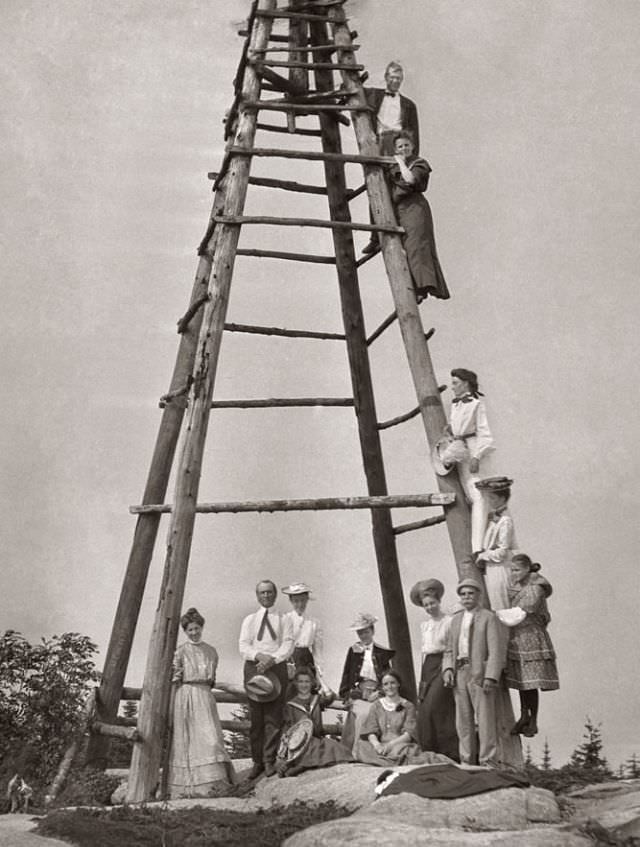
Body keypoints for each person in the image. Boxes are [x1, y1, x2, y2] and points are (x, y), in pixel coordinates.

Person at [168, 607, 234, 798]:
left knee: (211, 738)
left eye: (197, 628)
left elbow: (212, 678)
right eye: (190, 630)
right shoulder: (180, 652)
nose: (194, 633)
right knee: (187, 741)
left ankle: (213, 785)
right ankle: (187, 788)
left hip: (205, 695)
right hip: (185, 694)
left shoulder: (211, 651)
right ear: (185, 631)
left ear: (201, 628)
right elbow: (175, 678)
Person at [443, 578, 506, 767]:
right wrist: (447, 668)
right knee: (462, 720)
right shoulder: (455, 620)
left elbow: (496, 650)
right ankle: (466, 760)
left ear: (478, 595)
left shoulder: (488, 617)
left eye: (471, 593)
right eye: (463, 594)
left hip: (479, 672)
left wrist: (491, 676)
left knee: (485, 719)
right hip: (459, 671)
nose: (466, 597)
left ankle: (488, 760)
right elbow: (448, 649)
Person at [433, 368, 495, 553]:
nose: (452, 387)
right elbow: (461, 425)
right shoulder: (457, 405)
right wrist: (452, 429)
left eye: (455, 383)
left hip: (473, 450)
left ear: (465, 384)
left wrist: (477, 456)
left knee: (479, 497)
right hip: (459, 449)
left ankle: (478, 546)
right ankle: (475, 542)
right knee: (467, 495)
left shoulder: (476, 404)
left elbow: (485, 434)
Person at [497, 554, 559, 738]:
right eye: (512, 571)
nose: (513, 574)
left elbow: (522, 610)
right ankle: (525, 715)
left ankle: (532, 719)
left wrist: (495, 614)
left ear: (526, 569)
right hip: (518, 636)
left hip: (531, 635)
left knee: (531, 680)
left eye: (516, 570)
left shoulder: (535, 588)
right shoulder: (517, 586)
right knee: (524, 681)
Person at [362, 60, 420, 255]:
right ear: (386, 78)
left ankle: (400, 232)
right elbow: (353, 89)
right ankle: (375, 237)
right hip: (379, 142)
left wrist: (411, 159)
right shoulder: (374, 95)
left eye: (399, 79)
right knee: (376, 183)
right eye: (392, 77)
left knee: (397, 187)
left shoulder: (409, 105)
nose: (395, 81)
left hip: (397, 143)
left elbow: (414, 134)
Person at [239, 580, 294, 779]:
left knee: (274, 718)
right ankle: (257, 762)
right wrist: (259, 657)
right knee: (256, 719)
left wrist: (273, 660)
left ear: (275, 594)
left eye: (269, 592)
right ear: (257, 596)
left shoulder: (284, 619)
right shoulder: (250, 620)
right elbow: (243, 646)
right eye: (262, 593)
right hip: (254, 668)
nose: (266, 596)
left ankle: (269, 760)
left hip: (276, 668)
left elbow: (288, 644)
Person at [388, 131, 450, 303]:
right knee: (403, 249)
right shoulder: (392, 167)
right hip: (399, 210)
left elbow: (409, 180)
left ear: (412, 146)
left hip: (415, 208)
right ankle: (414, 287)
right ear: (395, 148)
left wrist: (399, 161)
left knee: (416, 247)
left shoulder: (419, 164)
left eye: (406, 145)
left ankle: (422, 288)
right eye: (400, 146)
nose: (404, 149)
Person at [356, 671, 449, 767]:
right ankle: (387, 760)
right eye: (386, 684)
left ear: (398, 684)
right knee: (362, 746)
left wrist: (390, 745)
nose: (389, 687)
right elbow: (371, 731)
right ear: (382, 687)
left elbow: (409, 734)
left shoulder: (408, 706)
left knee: (402, 752)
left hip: (399, 744)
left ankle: (388, 760)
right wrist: (377, 745)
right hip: (381, 745)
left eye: (392, 683)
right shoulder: (376, 706)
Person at [410, 579, 458, 761]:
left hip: (443, 663)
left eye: (432, 603)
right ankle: (429, 751)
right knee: (424, 709)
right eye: (426, 605)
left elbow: (450, 647)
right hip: (427, 665)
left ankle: (449, 752)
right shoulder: (425, 625)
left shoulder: (449, 621)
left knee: (437, 706)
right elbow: (425, 650)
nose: (430, 607)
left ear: (438, 601)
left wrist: (449, 669)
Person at [276, 667, 354, 777]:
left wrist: (320, 679)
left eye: (307, 681)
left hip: (317, 738)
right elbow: (288, 727)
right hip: (299, 742)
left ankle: (302, 766)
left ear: (312, 683)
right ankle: (298, 765)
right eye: (301, 681)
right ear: (296, 683)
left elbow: (330, 696)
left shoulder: (317, 699)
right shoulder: (291, 705)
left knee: (337, 748)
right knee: (311, 748)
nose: (304, 685)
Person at [474, 477, 518, 610]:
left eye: (492, 498)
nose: (489, 501)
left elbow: (502, 552)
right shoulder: (494, 517)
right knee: (496, 605)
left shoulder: (505, 521)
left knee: (502, 606)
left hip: (501, 569)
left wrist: (482, 556)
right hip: (492, 568)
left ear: (503, 499)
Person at [282, 582, 331, 695]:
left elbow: (317, 651)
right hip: (289, 659)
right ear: (291, 601)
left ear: (307, 600)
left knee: (310, 695)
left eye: (303, 600)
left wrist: (320, 675)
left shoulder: (314, 623)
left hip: (307, 661)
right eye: (296, 601)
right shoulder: (285, 620)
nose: (300, 604)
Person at [338, 612, 395, 702]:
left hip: (377, 691)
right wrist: (345, 693)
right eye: (360, 633)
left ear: (373, 631)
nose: (364, 636)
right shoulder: (354, 650)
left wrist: (380, 692)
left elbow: (387, 675)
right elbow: (347, 672)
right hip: (358, 691)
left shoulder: (381, 652)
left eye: (366, 632)